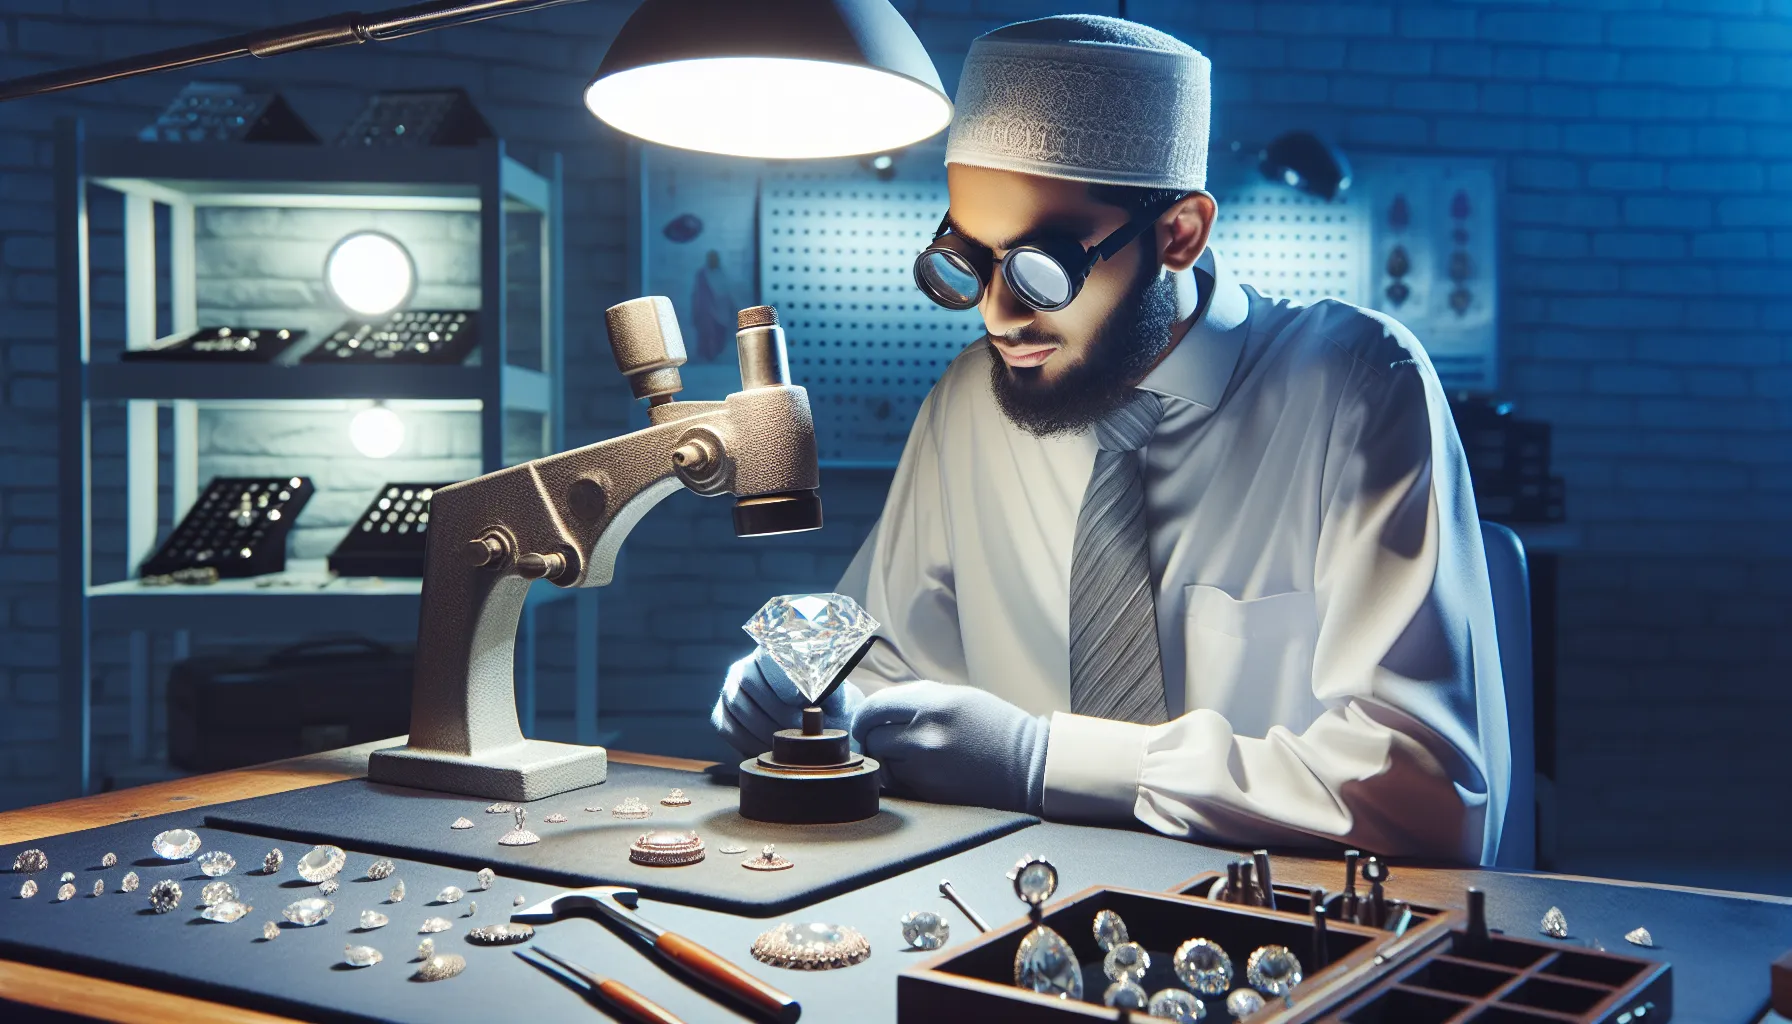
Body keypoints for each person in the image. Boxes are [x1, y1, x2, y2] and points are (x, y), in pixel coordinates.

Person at [713, 15, 1510, 865]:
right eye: (971, 262)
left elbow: (1428, 797)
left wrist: (1047, 760)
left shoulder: (1354, 384)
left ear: (1178, 234)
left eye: (1041, 268)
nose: (1000, 316)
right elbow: (894, 676)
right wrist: (808, 694)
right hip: (1010, 906)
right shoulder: (968, 406)